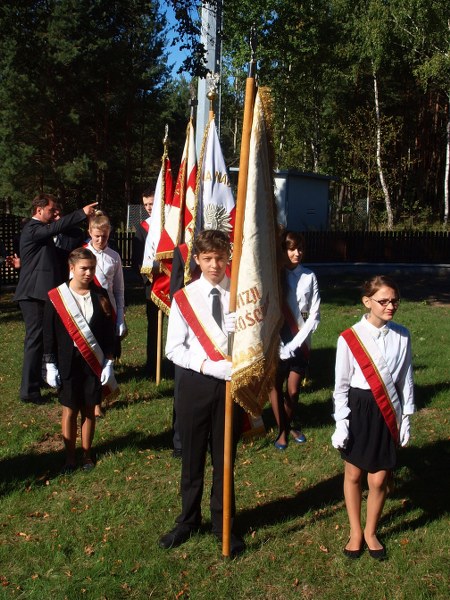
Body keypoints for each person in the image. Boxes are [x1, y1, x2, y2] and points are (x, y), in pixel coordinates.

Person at [159, 229, 245, 556]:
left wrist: (246, 328)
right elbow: (173, 349)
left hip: (229, 386)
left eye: (220, 258)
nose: (214, 265)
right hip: (195, 384)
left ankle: (224, 523)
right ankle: (188, 520)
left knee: (224, 459)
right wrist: (209, 366)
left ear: (228, 258)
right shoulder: (185, 297)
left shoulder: (239, 295)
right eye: (207, 259)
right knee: (192, 457)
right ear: (196, 259)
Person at [331, 275, 415, 560]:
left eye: (395, 301)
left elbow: (406, 380)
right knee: (354, 474)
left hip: (386, 410)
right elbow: (341, 385)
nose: (391, 306)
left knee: (379, 480)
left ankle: (371, 531)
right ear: (367, 301)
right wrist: (341, 422)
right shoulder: (349, 338)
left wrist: (407, 416)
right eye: (383, 301)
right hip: (359, 409)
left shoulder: (403, 335)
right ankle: (355, 531)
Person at [14, 193, 98, 403]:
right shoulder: (33, 229)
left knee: (42, 340)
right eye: (51, 210)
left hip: (39, 293)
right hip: (32, 294)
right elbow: (55, 228)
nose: (54, 214)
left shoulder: (41, 233)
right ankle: (29, 391)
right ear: (39, 210)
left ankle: (37, 380)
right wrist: (81, 213)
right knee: (34, 340)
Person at [43, 247, 117, 473]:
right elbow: (48, 333)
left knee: (88, 409)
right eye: (84, 268)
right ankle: (69, 458)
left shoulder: (100, 294)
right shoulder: (57, 297)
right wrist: (49, 362)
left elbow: (109, 333)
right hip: (68, 361)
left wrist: (109, 362)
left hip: (92, 362)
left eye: (92, 268)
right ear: (71, 268)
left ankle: (86, 454)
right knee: (70, 409)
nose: (88, 273)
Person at [270, 230, 320, 450]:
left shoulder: (309, 276)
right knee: (275, 386)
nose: (297, 253)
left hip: (300, 340)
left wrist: (295, 343)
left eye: (300, 248)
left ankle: (288, 424)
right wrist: (279, 343)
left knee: (293, 390)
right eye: (291, 249)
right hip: (276, 340)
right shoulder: (274, 276)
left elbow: (314, 314)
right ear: (283, 250)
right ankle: (283, 430)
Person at [85, 211, 127, 418]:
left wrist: (120, 317)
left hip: (108, 312)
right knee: (89, 355)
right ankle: (87, 399)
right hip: (87, 311)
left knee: (104, 355)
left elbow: (119, 290)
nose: (101, 240)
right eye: (97, 236)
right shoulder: (81, 254)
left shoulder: (114, 257)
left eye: (105, 236)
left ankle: (98, 401)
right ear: (90, 233)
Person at [131, 188, 158, 379]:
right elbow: (137, 260)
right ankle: (152, 365)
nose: (149, 207)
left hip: (172, 283)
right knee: (153, 326)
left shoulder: (171, 224)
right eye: (146, 204)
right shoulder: (142, 228)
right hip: (152, 284)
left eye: (152, 203)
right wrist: (147, 279)